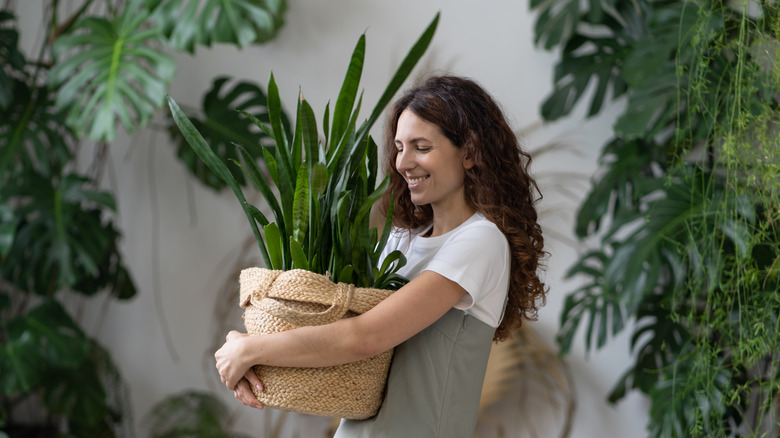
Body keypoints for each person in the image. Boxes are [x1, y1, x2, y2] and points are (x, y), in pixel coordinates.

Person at [215, 75, 547, 437]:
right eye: (400, 148)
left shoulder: (480, 241)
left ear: (469, 152)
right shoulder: (403, 240)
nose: (404, 163)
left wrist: (251, 350)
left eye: (421, 147)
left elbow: (365, 338)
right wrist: (245, 350)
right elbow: (332, 336)